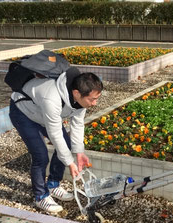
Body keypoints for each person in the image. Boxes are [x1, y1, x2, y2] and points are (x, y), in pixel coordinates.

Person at [9, 67, 103, 213]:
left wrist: (79, 152)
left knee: (66, 144)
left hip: (41, 113)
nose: (94, 103)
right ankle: (40, 196)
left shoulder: (79, 98)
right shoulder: (51, 98)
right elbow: (55, 134)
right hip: (23, 113)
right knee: (40, 154)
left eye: (97, 98)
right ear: (77, 93)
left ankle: (53, 184)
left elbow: (77, 124)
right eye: (92, 99)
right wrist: (69, 163)